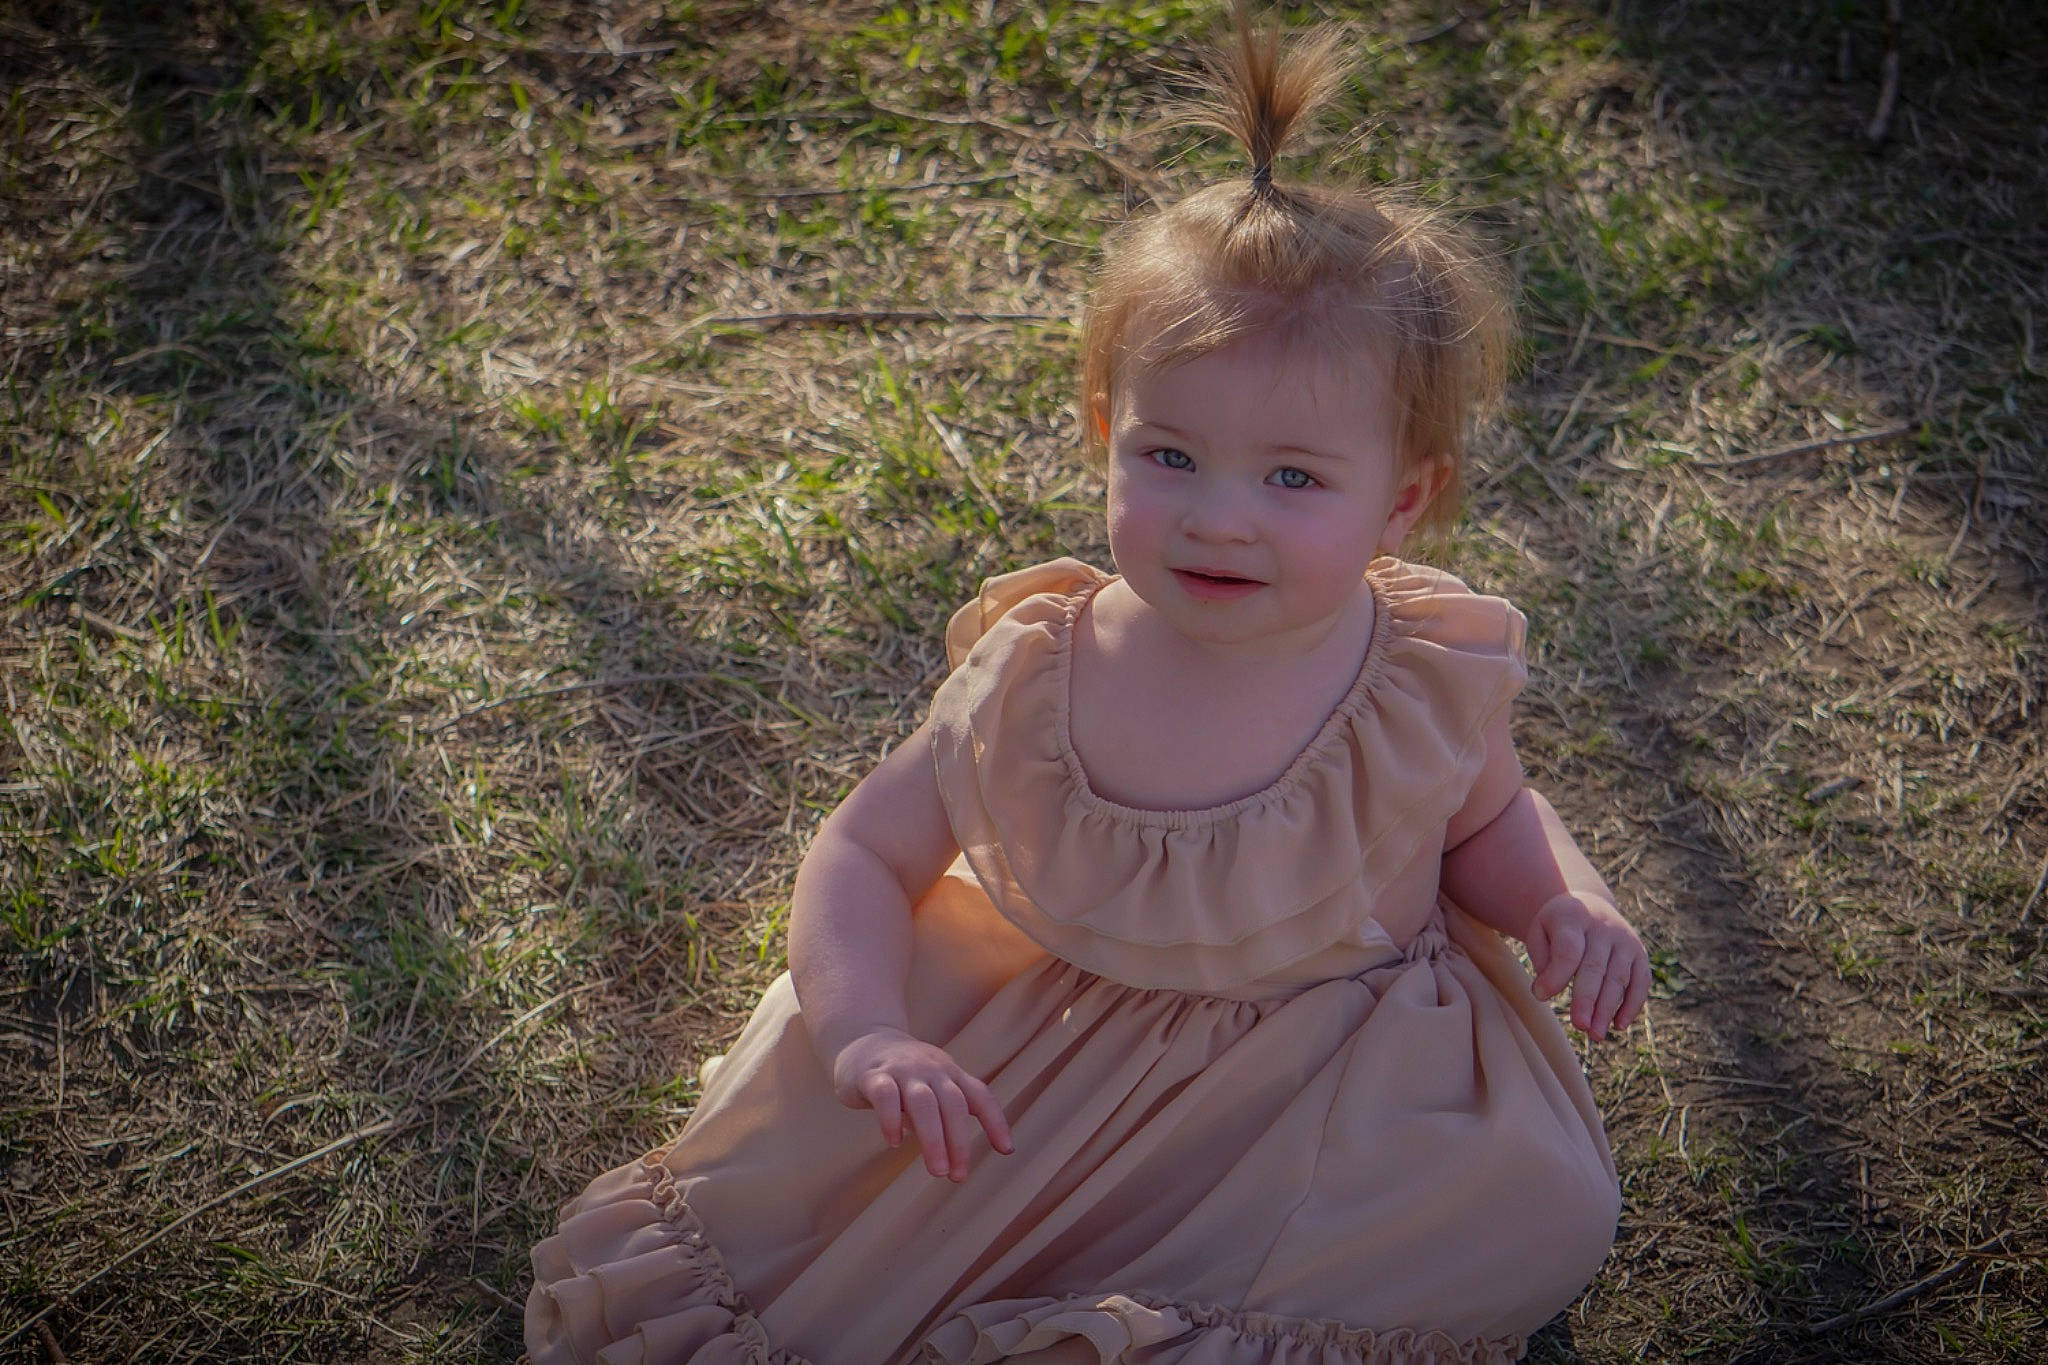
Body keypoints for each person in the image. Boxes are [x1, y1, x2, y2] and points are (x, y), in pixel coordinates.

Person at [526, 7, 1650, 1362]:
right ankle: (1039, 1285)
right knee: (820, 1224)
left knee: (1550, 1203)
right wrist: (873, 1034)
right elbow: (867, 855)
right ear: (1108, 433)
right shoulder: (1039, 674)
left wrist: (1564, 902)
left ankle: (1181, 1316)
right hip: (1033, 1068)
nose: (1219, 519)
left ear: (1403, 501)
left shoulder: (1411, 675)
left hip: (1323, 1087)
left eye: (1294, 478)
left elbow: (1486, 824)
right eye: (1171, 456)